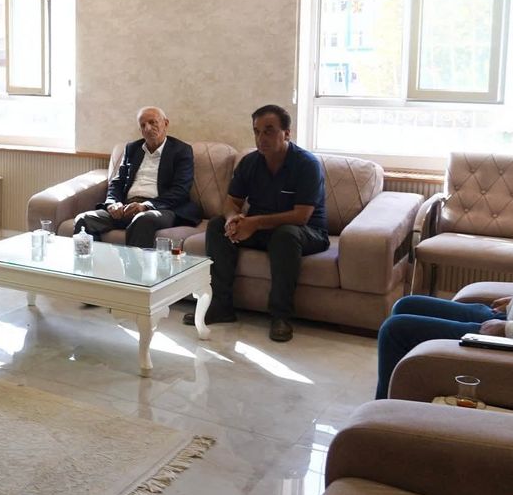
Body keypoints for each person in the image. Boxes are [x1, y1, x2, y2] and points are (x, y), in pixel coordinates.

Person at [188, 104, 328, 343]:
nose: (261, 138)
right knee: (216, 225)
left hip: (306, 232)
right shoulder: (250, 162)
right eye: (257, 131)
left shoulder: (306, 164)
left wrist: (253, 223)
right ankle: (221, 305)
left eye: (269, 131)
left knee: (285, 234)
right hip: (263, 229)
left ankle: (280, 316)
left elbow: (301, 216)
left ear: (287, 133)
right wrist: (233, 220)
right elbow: (231, 202)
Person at [374, 270, 513, 399]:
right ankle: (402, 393)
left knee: (396, 329)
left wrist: (509, 328)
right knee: (407, 305)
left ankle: (385, 411)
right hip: (508, 319)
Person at [73, 106, 199, 247]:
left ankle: (132, 262)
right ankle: (92, 261)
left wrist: (145, 206)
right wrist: (113, 203)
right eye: (143, 125)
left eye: (153, 122)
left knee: (142, 219)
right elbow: (118, 182)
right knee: (84, 219)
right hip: (126, 207)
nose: (148, 128)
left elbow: (181, 189)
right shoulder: (132, 148)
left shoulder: (181, 150)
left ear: (166, 123)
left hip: (160, 209)